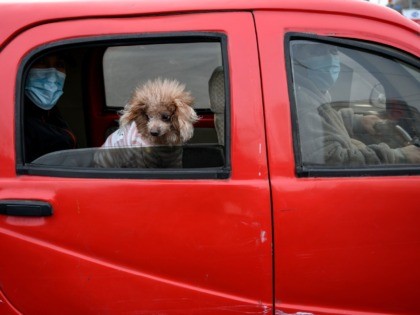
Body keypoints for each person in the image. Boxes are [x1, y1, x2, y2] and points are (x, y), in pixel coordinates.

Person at [291, 42, 420, 166]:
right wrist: (399, 156)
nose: (330, 59)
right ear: (297, 57)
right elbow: (334, 161)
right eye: (318, 51)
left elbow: (321, 123)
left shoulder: (308, 91)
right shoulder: (302, 103)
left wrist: (357, 122)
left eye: (333, 50)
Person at [24, 53, 76, 162]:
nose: (52, 76)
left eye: (59, 64)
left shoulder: (48, 111)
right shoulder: (16, 116)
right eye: (42, 62)